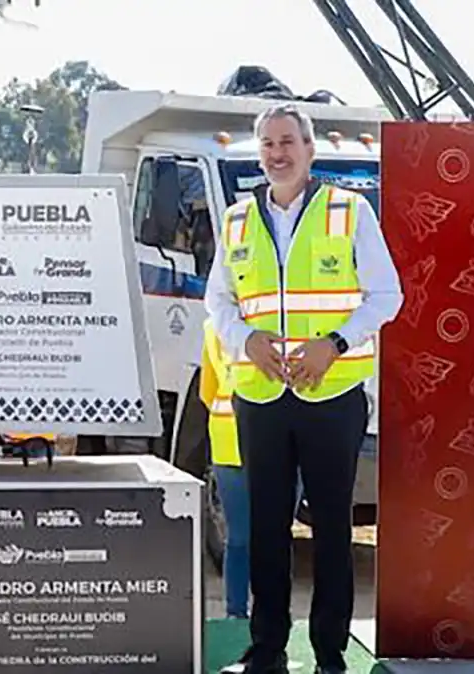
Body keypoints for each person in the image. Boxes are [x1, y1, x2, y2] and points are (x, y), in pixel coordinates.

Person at [204, 102, 403, 674]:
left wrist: (334, 344)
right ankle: (266, 651)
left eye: (288, 141)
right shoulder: (237, 221)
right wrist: (245, 340)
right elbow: (219, 301)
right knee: (266, 526)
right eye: (267, 144)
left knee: (334, 529)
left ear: (309, 150)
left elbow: (386, 297)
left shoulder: (350, 212)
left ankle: (329, 655)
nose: (277, 153)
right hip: (261, 395)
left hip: (332, 395)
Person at [199, 318, 304, 625]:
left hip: (228, 442)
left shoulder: (213, 326)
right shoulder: (286, 319)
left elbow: (207, 391)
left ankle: (236, 614)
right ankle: (274, 614)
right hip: (280, 442)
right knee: (277, 534)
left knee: (239, 536)